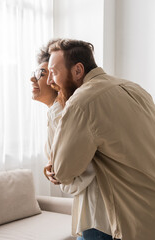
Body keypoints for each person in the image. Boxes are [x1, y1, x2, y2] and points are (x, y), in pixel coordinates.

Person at [45, 39, 155, 240]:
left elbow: (63, 172)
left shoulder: (82, 102)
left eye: (54, 72)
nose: (49, 81)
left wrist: (53, 103)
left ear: (78, 70)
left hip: (148, 225)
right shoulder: (135, 88)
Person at [31, 42, 112, 240]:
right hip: (89, 210)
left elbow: (80, 167)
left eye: (45, 73)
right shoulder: (54, 114)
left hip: (98, 212)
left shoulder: (70, 114)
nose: (34, 78)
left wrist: (59, 172)